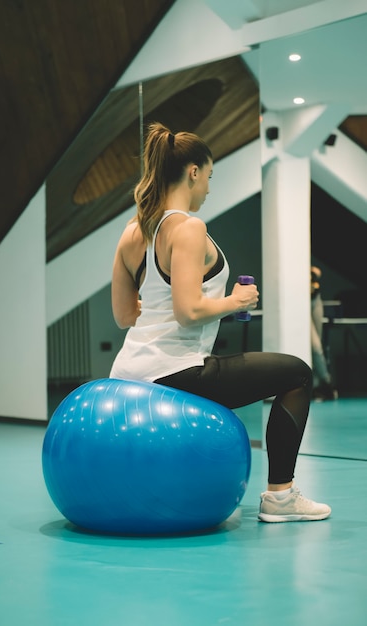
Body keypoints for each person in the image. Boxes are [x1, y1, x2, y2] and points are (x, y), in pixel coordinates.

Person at [110, 121, 331, 523]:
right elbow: (188, 311)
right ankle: (281, 496)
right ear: (193, 172)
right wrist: (236, 300)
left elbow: (124, 315)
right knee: (298, 373)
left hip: (126, 372)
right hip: (176, 371)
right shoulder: (189, 227)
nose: (209, 188)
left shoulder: (132, 231)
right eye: (209, 177)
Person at [311, 266, 338, 401]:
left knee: (318, 346)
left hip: (315, 301)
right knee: (315, 346)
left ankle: (317, 387)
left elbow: (317, 272)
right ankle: (326, 382)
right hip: (298, 303)